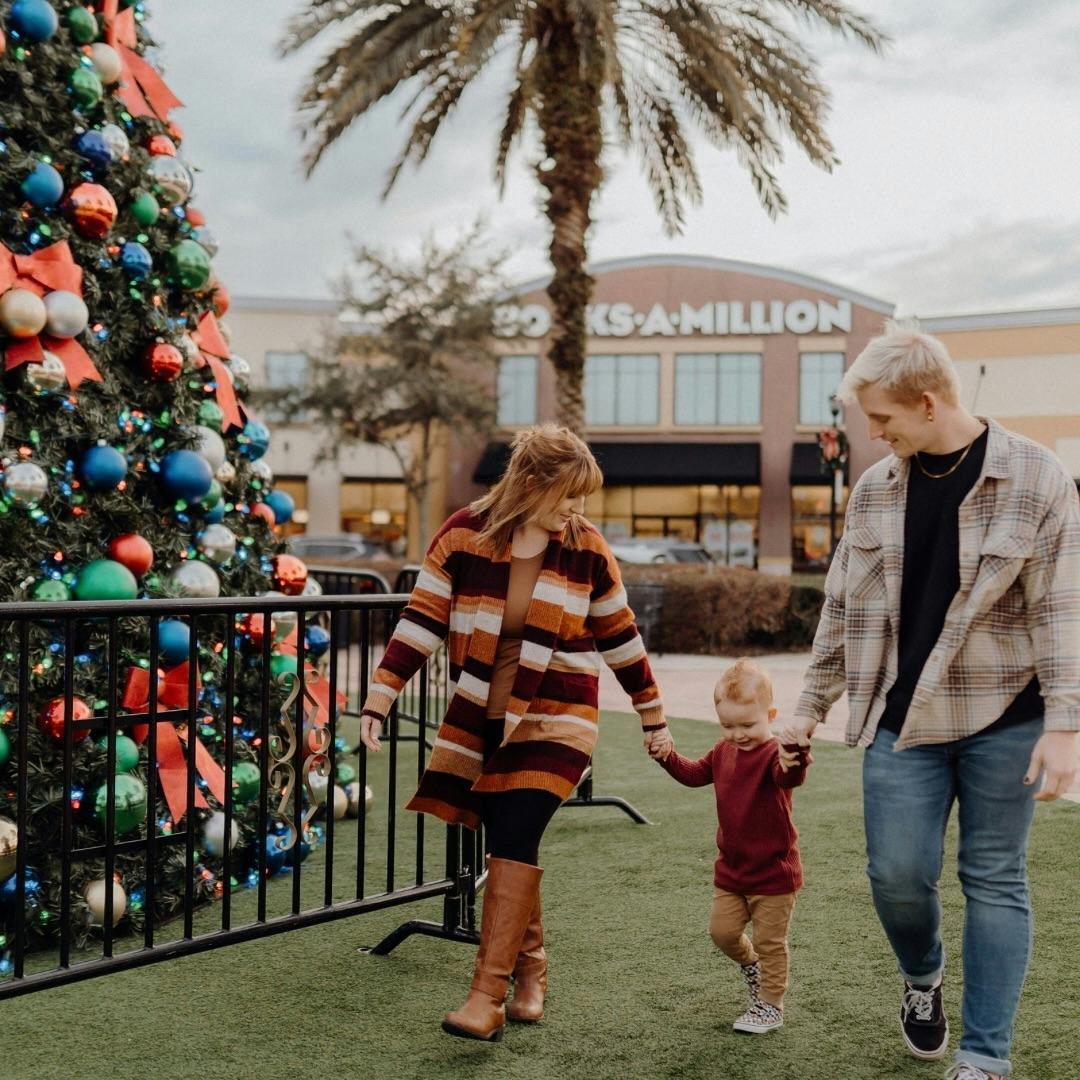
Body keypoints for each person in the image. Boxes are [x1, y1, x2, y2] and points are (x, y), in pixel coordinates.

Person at [784, 321, 1080, 1080]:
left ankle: (986, 1058)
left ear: (924, 402)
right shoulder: (877, 488)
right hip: (899, 718)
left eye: (881, 419)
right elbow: (843, 608)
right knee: (898, 876)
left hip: (1004, 717)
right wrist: (808, 706)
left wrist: (1066, 724)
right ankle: (923, 980)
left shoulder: (1038, 477)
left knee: (995, 877)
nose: (874, 434)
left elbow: (1062, 611)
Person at [358, 424, 673, 1042]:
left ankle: (486, 997)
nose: (578, 509)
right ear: (530, 484)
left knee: (519, 827)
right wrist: (379, 699)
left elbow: (619, 636)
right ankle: (532, 969)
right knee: (508, 839)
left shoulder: (586, 548)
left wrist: (651, 711)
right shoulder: (463, 535)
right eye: (569, 495)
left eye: (584, 497)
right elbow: (421, 620)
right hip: (484, 718)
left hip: (561, 715)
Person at [658, 658, 810, 1034]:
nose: (738, 734)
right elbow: (695, 774)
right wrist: (667, 757)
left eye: (747, 725)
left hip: (774, 872)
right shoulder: (723, 751)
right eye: (728, 725)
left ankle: (770, 1006)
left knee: (771, 942)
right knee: (722, 932)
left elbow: (788, 775)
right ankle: (751, 965)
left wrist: (797, 756)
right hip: (732, 870)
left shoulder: (775, 754)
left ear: (770, 714)